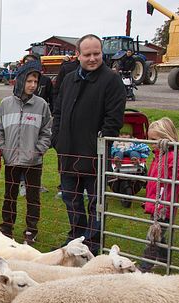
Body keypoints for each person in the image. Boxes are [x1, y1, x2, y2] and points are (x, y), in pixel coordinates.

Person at [52, 34, 125, 254]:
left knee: (96, 203)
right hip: (67, 153)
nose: (92, 58)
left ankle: (92, 243)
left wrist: (100, 146)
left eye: (97, 53)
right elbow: (58, 111)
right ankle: (76, 237)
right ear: (78, 54)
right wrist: (57, 138)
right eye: (87, 54)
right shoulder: (69, 79)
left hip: (94, 156)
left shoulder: (111, 80)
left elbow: (114, 120)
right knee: (71, 199)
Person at [0, 60, 52, 244]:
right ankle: (6, 228)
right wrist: (4, 149)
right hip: (11, 161)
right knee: (9, 196)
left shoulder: (41, 105)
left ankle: (31, 230)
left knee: (33, 198)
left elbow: (47, 131)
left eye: (36, 82)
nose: (33, 85)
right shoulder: (5, 104)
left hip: (33, 162)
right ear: (20, 80)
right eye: (29, 81)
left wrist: (38, 151)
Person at [139, 118, 179, 271]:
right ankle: (165, 260)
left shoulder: (171, 156)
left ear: (166, 139)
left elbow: (178, 175)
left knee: (152, 237)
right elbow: (154, 182)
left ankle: (144, 268)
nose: (150, 142)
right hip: (156, 203)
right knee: (160, 236)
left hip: (164, 206)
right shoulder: (158, 155)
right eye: (149, 139)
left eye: (154, 139)